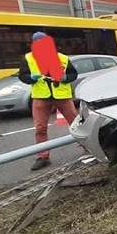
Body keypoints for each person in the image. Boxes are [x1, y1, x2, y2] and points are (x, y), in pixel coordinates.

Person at [18, 32, 79, 171]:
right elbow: (22, 76)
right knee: (40, 129)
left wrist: (64, 77)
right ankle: (43, 157)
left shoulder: (62, 58)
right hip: (41, 97)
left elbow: (73, 74)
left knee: (76, 124)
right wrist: (31, 78)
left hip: (62, 96)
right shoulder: (28, 58)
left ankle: (88, 147)